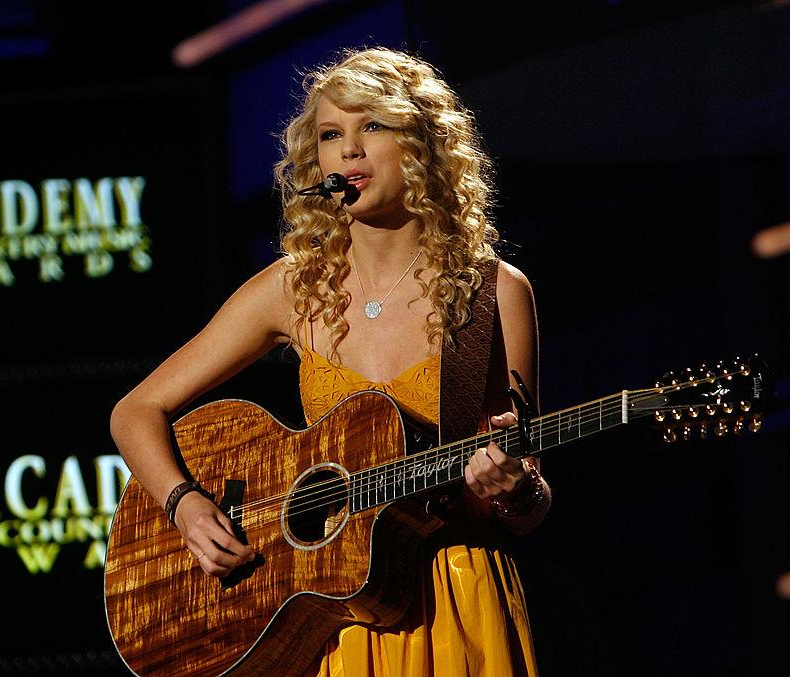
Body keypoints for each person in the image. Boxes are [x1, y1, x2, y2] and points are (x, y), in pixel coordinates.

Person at [110, 46, 550, 676]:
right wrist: (183, 504)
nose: (348, 150)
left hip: (457, 602)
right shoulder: (294, 289)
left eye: (371, 125)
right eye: (329, 134)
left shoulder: (494, 292)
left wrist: (516, 490)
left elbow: (529, 507)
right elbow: (136, 410)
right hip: (332, 622)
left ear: (423, 144)